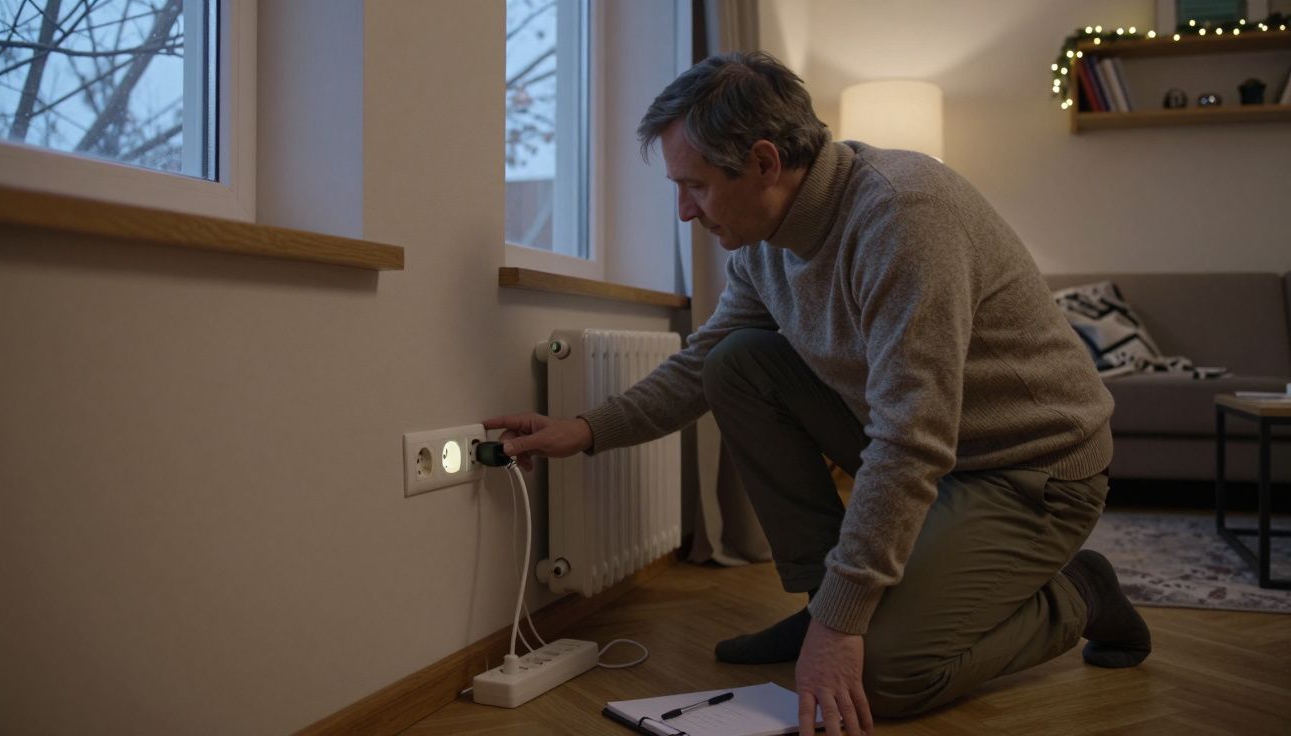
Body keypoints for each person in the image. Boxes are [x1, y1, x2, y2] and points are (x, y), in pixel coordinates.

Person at [485, 51, 1150, 736]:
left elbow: (911, 435)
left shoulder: (905, 217)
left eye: (697, 186)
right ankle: (820, 603)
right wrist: (585, 430)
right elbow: (702, 364)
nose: (685, 211)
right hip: (933, 453)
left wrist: (844, 631)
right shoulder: (760, 242)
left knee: (884, 680)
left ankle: (1081, 594)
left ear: (767, 164)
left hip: (1028, 472)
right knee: (739, 362)